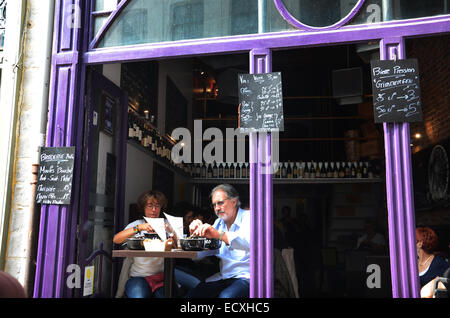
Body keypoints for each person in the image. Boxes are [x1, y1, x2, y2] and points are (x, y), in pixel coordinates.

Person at [185, 184, 250, 298]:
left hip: (247, 276)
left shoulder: (249, 217)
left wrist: (219, 235)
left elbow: (248, 243)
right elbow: (198, 258)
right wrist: (195, 237)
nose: (217, 208)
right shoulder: (218, 223)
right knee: (192, 296)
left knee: (225, 297)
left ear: (234, 202)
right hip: (224, 276)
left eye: (220, 203)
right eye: (214, 205)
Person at [113, 190, 167, 298]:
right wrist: (140, 228)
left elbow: (180, 242)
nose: (154, 210)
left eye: (157, 206)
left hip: (162, 278)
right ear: (143, 207)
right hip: (138, 277)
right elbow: (116, 239)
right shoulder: (137, 224)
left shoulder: (166, 224)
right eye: (149, 206)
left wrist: (168, 229)